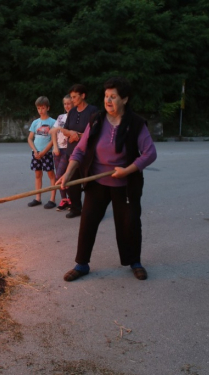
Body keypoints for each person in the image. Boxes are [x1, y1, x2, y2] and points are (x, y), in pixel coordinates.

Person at [57, 77, 157, 281]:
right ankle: (81, 264)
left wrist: (128, 170)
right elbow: (80, 151)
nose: (108, 100)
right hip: (97, 182)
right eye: (106, 96)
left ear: (125, 99)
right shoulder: (96, 120)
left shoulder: (136, 124)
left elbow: (150, 153)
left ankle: (134, 262)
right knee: (88, 222)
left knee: (129, 223)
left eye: (113, 96)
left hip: (125, 183)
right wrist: (67, 174)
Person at [60, 84, 98, 218]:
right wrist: (71, 132)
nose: (72, 99)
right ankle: (76, 208)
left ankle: (93, 211)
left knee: (90, 183)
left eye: (75, 97)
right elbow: (63, 129)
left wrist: (78, 135)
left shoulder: (93, 111)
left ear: (83, 95)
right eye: (71, 97)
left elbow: (95, 132)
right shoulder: (72, 112)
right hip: (72, 153)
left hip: (88, 154)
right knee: (72, 182)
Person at [27, 96, 57, 209]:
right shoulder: (35, 122)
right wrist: (35, 151)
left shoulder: (53, 122)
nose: (40, 110)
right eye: (38, 108)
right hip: (36, 153)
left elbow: (53, 140)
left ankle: (52, 199)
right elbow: (30, 138)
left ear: (47, 108)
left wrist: (44, 151)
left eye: (43, 108)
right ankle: (37, 198)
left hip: (47, 153)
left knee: (50, 174)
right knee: (38, 174)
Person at [50, 95, 73, 211]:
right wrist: (55, 147)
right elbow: (53, 132)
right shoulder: (60, 117)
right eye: (65, 104)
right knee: (59, 176)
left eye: (69, 103)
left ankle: (71, 199)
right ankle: (64, 199)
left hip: (68, 150)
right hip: (58, 149)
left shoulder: (75, 117)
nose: (67, 106)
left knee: (61, 176)